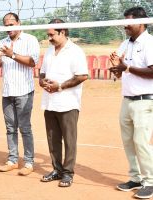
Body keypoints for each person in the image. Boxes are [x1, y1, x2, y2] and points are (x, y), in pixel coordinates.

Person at [109, 7, 153, 199]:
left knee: (141, 143)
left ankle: (150, 181)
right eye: (124, 21)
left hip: (145, 100)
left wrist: (126, 68)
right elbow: (121, 70)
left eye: (129, 22)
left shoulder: (150, 43)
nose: (125, 25)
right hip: (127, 100)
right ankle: (135, 178)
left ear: (142, 22)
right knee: (128, 142)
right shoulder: (125, 43)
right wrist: (117, 70)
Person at [38, 19, 88, 187]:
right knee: (53, 140)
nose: (49, 38)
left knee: (69, 140)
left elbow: (82, 76)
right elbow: (42, 73)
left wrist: (59, 86)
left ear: (63, 32)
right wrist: (43, 82)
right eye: (48, 35)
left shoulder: (75, 51)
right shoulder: (49, 51)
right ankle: (57, 170)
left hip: (68, 103)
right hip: (49, 103)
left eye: (52, 34)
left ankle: (68, 173)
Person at [0, 12, 40, 176]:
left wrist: (11, 54)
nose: (8, 28)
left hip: (24, 91)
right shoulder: (3, 42)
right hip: (7, 91)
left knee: (25, 128)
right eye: (6, 25)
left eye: (11, 25)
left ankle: (28, 162)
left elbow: (32, 62)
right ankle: (12, 160)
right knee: (10, 128)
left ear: (19, 23)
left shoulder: (30, 40)